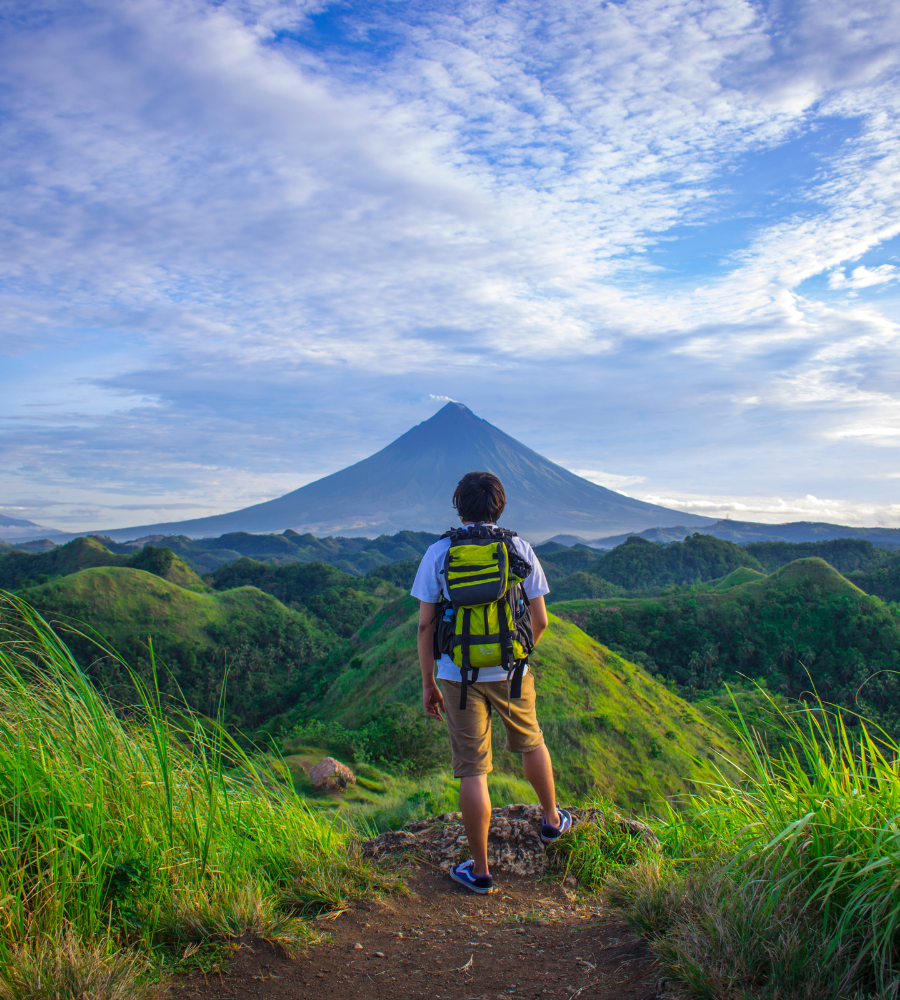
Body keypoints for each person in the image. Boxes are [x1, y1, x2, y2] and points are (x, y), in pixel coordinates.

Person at [411, 470, 571, 894]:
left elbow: (426, 627)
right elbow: (540, 620)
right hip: (512, 671)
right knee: (531, 741)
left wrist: (429, 682)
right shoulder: (517, 547)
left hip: (456, 675)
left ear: (458, 506)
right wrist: (517, 656)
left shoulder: (439, 551)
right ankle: (552, 822)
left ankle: (481, 872)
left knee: (473, 770)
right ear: (499, 506)